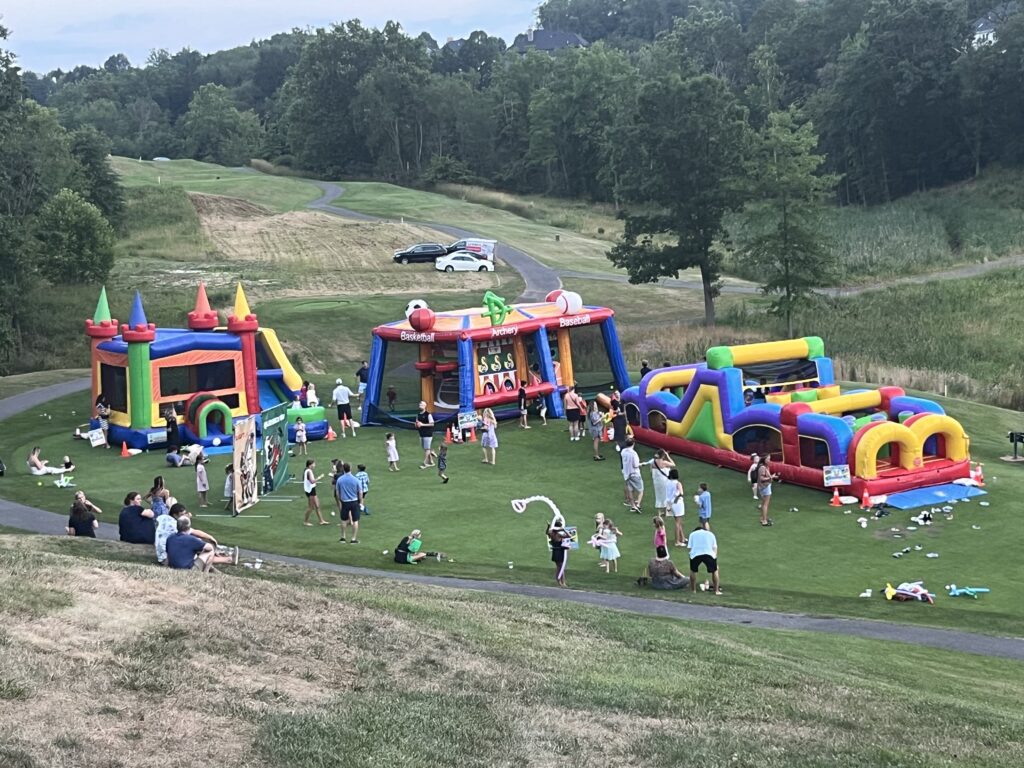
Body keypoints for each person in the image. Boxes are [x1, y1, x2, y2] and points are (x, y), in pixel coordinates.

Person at [688, 524, 721, 595]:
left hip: (695, 554)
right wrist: (714, 559)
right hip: (709, 553)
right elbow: (715, 548)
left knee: (692, 570)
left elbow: (690, 548)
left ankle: (693, 590)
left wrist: (691, 556)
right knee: (715, 570)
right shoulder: (711, 534)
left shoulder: (692, 534)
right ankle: (716, 590)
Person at [335, 462, 363, 544]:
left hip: (344, 502)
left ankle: (343, 537)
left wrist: (340, 499)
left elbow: (337, 492)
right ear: (350, 468)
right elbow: (360, 492)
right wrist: (360, 502)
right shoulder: (356, 480)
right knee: (355, 520)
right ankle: (353, 539)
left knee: (344, 520)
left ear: (343, 469)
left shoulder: (340, 480)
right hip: (354, 501)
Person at [301, 459, 329, 526]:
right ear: (310, 465)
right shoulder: (308, 471)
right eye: (313, 464)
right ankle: (305, 521)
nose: (314, 465)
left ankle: (321, 521)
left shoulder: (307, 470)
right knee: (311, 507)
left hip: (312, 489)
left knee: (317, 505)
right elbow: (312, 481)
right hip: (310, 491)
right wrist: (320, 477)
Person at [620, 438, 644, 513]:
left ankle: (633, 505)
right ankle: (638, 505)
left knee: (630, 490)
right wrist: (641, 464)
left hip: (626, 474)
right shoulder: (634, 454)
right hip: (634, 474)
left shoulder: (623, 451)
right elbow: (636, 465)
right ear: (633, 444)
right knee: (641, 490)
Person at [547, 517, 572, 587]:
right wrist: (564, 529)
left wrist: (549, 526)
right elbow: (569, 536)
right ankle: (563, 582)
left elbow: (547, 532)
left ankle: (559, 581)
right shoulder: (559, 534)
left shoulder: (551, 533)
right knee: (561, 568)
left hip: (555, 551)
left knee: (558, 567)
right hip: (560, 552)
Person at [651, 450, 676, 516]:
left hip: (656, 481)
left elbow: (652, 471)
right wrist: (668, 456)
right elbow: (673, 464)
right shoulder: (664, 462)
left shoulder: (653, 462)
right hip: (664, 481)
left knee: (658, 496)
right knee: (665, 495)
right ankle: (666, 512)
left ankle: (659, 512)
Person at [666, 468, 687, 547]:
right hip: (677, 503)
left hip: (669, 503)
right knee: (678, 522)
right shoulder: (678, 483)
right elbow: (681, 493)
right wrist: (675, 500)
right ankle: (677, 541)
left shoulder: (668, 482)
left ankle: (682, 538)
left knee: (677, 521)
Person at [756, 454, 778, 527]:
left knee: (763, 504)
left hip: (763, 486)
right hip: (765, 487)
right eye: (768, 459)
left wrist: (771, 476)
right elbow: (762, 478)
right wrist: (771, 477)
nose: (769, 460)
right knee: (765, 504)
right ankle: (764, 520)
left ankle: (762, 518)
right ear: (764, 459)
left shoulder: (763, 466)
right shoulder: (762, 467)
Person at [415, 402, 436, 469]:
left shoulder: (428, 415)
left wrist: (422, 424)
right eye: (419, 405)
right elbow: (417, 423)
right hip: (421, 434)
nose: (420, 406)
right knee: (425, 448)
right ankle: (431, 461)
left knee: (427, 449)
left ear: (425, 406)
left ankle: (425, 463)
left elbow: (432, 424)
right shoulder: (418, 415)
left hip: (428, 434)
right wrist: (416, 425)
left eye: (422, 405)